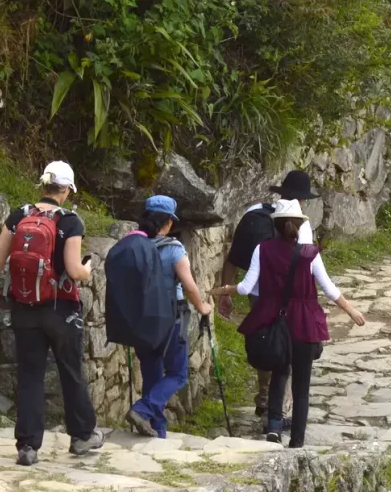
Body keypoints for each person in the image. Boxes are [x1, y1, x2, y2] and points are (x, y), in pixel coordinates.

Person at [211, 199, 367, 448]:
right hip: (304, 323)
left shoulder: (262, 250)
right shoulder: (310, 254)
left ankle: (273, 427)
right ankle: (297, 441)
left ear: (275, 226)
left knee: (279, 373)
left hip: (274, 319)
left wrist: (223, 290)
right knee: (302, 386)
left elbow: (245, 287)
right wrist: (351, 310)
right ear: (299, 225)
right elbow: (329, 289)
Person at [0, 161, 104, 466]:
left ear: (43, 185)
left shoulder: (18, 215)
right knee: (70, 370)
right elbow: (73, 270)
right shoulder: (70, 222)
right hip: (61, 309)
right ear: (66, 190)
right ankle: (82, 436)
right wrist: (89, 267)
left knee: (30, 375)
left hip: (24, 307)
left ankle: (27, 447)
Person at [217, 170, 317, 421]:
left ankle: (264, 397)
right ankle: (279, 410)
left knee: (267, 340)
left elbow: (233, 258)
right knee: (289, 348)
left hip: (259, 295)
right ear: (302, 200)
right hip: (290, 298)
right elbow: (309, 267)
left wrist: (225, 293)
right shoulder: (301, 224)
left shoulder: (253, 214)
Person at [118, 195, 213, 438]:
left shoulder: (132, 246)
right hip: (170, 316)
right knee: (177, 374)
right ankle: (143, 409)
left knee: (152, 373)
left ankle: (156, 429)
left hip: (140, 318)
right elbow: (189, 286)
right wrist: (202, 307)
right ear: (169, 223)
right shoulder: (173, 249)